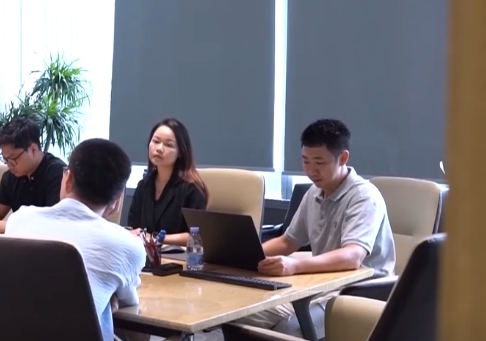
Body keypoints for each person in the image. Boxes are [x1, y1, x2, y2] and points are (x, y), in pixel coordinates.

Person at [235, 119, 396, 338]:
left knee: (289, 330)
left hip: (356, 294)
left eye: (319, 162)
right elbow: (288, 241)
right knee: (239, 315)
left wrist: (294, 265)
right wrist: (243, 254)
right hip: (319, 285)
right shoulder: (314, 193)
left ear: (343, 158)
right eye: (305, 161)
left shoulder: (364, 197)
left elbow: (352, 256)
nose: (311, 170)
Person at [6, 138, 145, 341]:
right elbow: (129, 300)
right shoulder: (128, 245)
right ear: (117, 202)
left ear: (68, 178)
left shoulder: (19, 220)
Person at [0, 116, 66, 233]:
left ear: (33, 149)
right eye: (5, 159)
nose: (9, 165)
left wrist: (10, 226)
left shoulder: (58, 173)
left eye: (13, 159)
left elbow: (54, 223)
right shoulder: (10, 176)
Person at [128, 118, 208, 246]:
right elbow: (133, 228)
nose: (159, 148)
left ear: (180, 152)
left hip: (177, 256)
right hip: (144, 254)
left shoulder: (192, 189)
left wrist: (156, 239)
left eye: (168, 145)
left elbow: (197, 235)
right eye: (156, 141)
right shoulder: (143, 186)